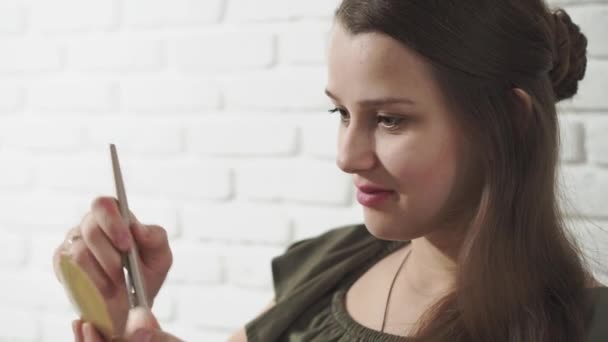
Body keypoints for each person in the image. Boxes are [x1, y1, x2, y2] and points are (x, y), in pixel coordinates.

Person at [53, 0, 608, 341]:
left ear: (509, 121)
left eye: (390, 120)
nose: (347, 156)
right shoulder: (331, 264)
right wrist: (121, 317)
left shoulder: (586, 328)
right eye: (341, 112)